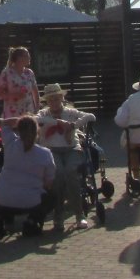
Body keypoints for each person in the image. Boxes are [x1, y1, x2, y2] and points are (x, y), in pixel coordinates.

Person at [36, 82, 96, 231]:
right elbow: (36, 119)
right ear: (47, 102)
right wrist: (57, 122)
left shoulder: (70, 112)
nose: (54, 103)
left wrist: (73, 126)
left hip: (71, 149)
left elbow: (91, 116)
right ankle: (58, 214)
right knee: (58, 173)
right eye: (50, 100)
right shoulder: (44, 113)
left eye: (57, 99)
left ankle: (79, 214)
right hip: (51, 150)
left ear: (62, 98)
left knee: (70, 172)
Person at [0, 116, 57, 237]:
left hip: (0, 197)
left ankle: (0, 217)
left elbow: (4, 123)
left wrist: (16, 120)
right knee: (52, 196)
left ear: (18, 131)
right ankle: (31, 221)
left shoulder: (9, 144)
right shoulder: (45, 154)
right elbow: (49, 182)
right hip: (28, 202)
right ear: (37, 132)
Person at [0, 46, 39, 121]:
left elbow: (35, 92)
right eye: (26, 55)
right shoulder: (6, 73)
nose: (29, 57)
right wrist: (14, 95)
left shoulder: (29, 73)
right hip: (12, 115)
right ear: (19, 58)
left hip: (29, 113)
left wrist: (37, 109)